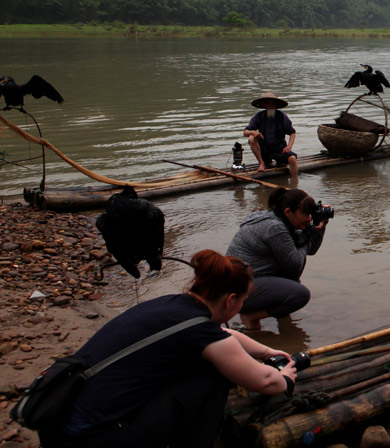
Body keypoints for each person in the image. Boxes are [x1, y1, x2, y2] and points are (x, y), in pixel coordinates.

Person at [40, 250, 297, 448]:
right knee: (214, 375)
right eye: (242, 301)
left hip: (57, 425)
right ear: (231, 300)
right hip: (95, 439)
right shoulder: (199, 330)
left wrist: (265, 352)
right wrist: (286, 379)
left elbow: (225, 335)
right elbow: (265, 382)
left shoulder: (173, 307)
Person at [226, 187, 328, 330]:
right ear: (288, 212)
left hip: (244, 282)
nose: (309, 219)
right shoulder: (275, 228)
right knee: (300, 294)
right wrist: (308, 234)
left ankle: (281, 318)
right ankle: (251, 316)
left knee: (291, 279)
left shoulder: (279, 219)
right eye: (305, 214)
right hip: (237, 291)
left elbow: (311, 250)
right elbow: (296, 263)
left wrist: (320, 227)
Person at [244, 90, 299, 179]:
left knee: (292, 159)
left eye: (272, 103)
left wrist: (289, 146)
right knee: (251, 138)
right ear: (264, 105)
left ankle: (294, 182)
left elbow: (292, 132)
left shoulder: (282, 116)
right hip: (264, 149)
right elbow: (245, 132)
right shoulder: (259, 116)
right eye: (268, 103)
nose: (270, 105)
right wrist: (253, 132)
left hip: (279, 149)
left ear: (276, 104)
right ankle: (262, 163)